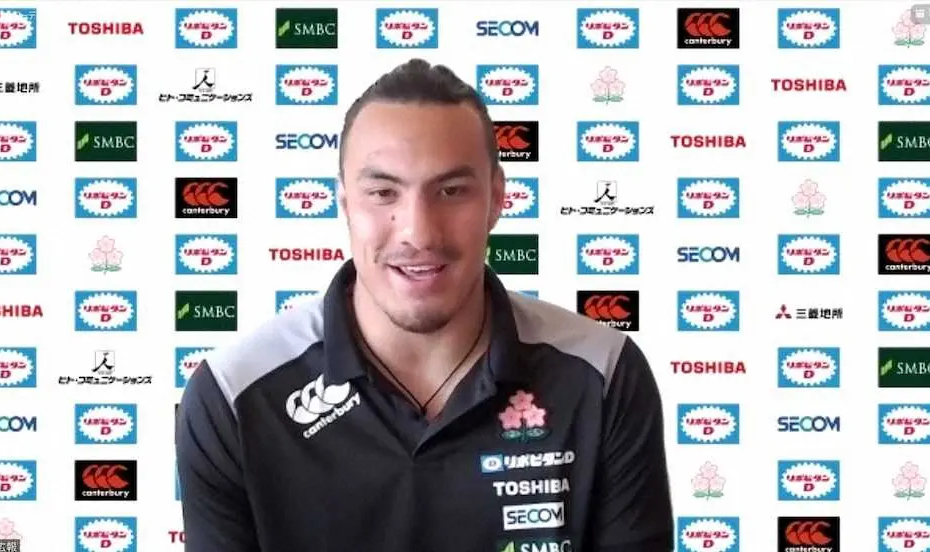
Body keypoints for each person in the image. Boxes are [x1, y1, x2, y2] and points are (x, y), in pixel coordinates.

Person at [177, 58, 673, 552]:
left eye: (451, 191)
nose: (418, 232)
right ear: (346, 204)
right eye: (383, 192)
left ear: (497, 198)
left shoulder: (604, 375)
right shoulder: (234, 395)